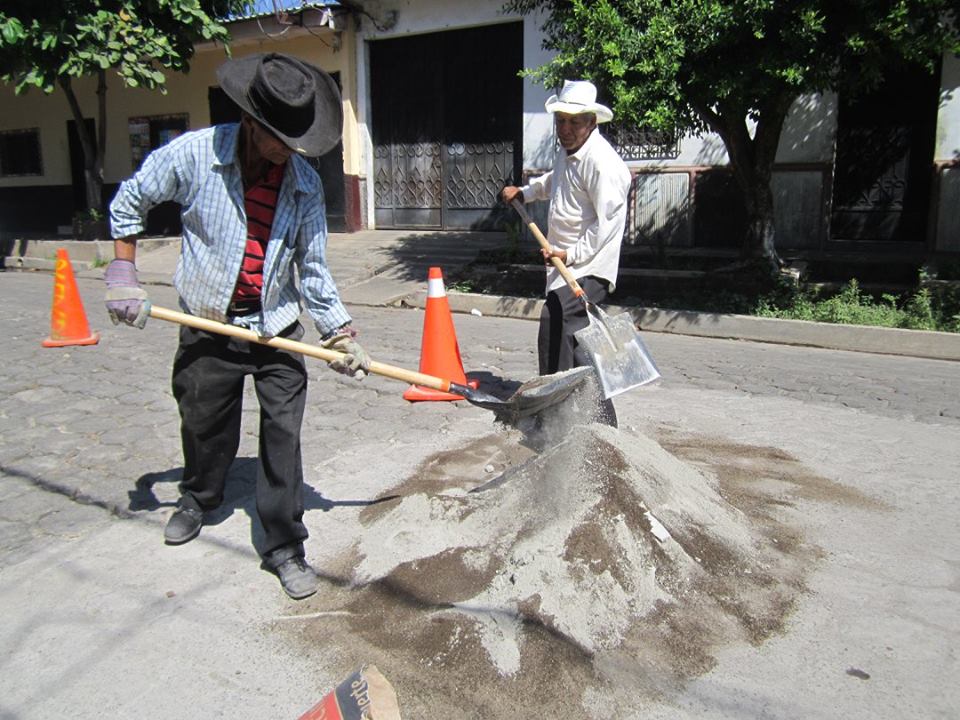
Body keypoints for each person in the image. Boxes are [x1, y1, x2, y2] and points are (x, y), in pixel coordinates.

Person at [103, 52, 371, 600]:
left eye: (294, 143)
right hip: (207, 321)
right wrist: (123, 268)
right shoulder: (196, 155)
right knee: (204, 423)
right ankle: (198, 497)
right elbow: (133, 194)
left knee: (283, 434)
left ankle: (284, 545)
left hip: (275, 325)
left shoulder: (301, 182)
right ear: (251, 123)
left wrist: (339, 333)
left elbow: (313, 266)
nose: (286, 153)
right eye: (278, 140)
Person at [501, 80, 632, 425]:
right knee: (560, 333)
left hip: (592, 265)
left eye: (575, 122)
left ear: (592, 122)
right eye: (561, 120)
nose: (566, 129)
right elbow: (554, 182)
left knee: (565, 328)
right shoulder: (568, 152)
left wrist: (569, 253)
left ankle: (592, 420)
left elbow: (606, 227)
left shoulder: (604, 164)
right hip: (566, 264)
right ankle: (560, 409)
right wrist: (525, 193)